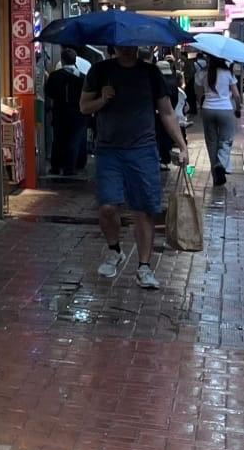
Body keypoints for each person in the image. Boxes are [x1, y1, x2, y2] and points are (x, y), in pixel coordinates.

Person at [80, 44, 189, 289]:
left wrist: (181, 145)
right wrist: (102, 99)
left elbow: (167, 112)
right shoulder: (100, 71)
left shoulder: (150, 73)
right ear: (113, 47)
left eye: (131, 45)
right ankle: (114, 250)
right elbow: (84, 107)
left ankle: (144, 267)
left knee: (144, 209)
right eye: (122, 45)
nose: (127, 49)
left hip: (143, 150)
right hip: (109, 150)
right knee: (108, 207)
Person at [200, 53, 242, 188]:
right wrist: (238, 108)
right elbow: (236, 95)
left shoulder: (204, 73)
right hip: (225, 109)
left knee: (211, 143)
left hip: (207, 109)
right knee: (226, 141)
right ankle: (220, 164)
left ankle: (215, 177)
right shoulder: (227, 73)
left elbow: (198, 92)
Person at [44, 47, 87, 176]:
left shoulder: (54, 76)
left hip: (59, 113)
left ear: (62, 61)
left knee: (57, 140)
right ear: (75, 60)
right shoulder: (82, 77)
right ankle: (70, 168)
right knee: (74, 140)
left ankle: (56, 166)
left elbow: (49, 92)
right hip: (78, 114)